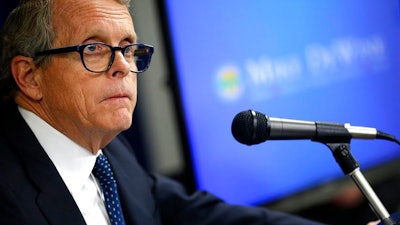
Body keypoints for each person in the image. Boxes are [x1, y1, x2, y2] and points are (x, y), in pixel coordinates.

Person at [0, 0, 328, 224]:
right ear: (30, 76)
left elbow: (196, 213)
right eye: (94, 49)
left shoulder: (107, 153)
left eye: (128, 48)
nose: (123, 66)